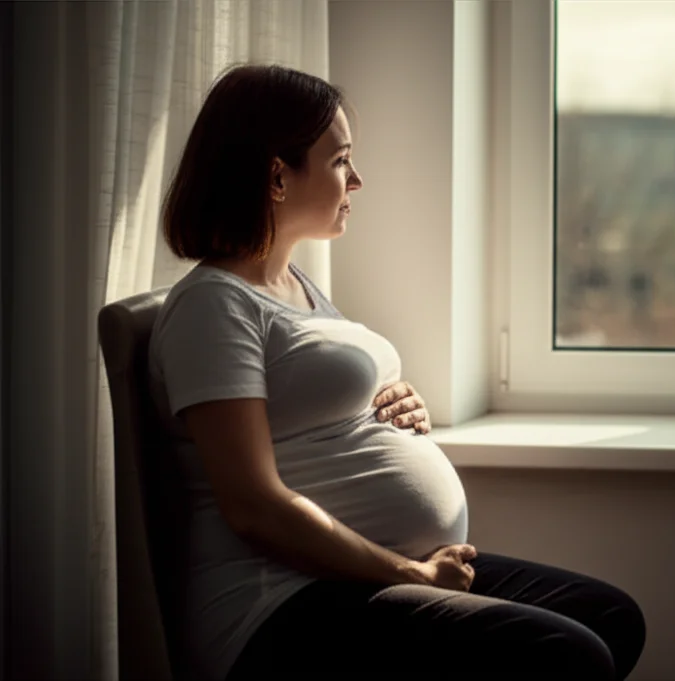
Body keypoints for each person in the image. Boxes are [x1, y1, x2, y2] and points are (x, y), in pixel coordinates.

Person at [149, 63, 646, 681]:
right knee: (568, 654)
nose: (356, 179)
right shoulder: (212, 306)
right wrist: (415, 573)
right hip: (281, 606)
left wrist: (391, 407)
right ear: (277, 176)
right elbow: (253, 505)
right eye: (340, 162)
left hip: (365, 576)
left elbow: (311, 408)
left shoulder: (295, 284)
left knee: (610, 616)